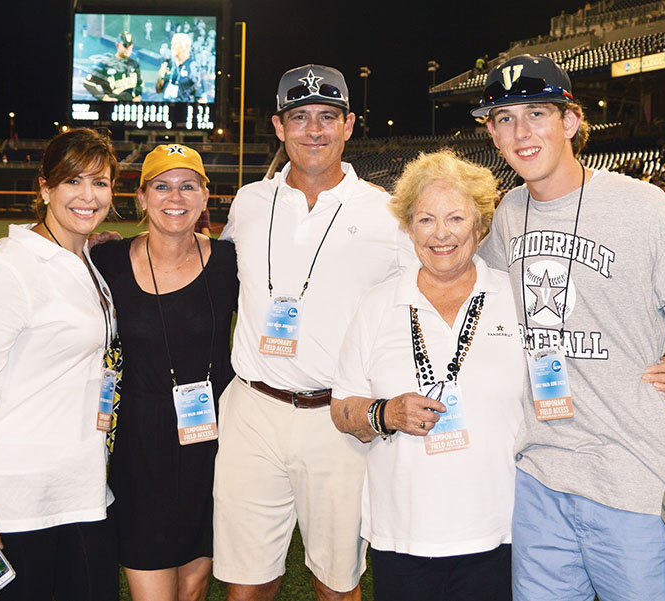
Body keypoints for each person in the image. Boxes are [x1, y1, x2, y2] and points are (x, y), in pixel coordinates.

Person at [474, 54, 665, 601]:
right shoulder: (507, 214)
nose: (520, 132)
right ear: (491, 133)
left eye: (536, 114)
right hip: (541, 475)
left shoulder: (649, 211)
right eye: (504, 118)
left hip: (634, 475)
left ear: (571, 121)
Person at [213, 64, 411, 601]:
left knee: (337, 581)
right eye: (300, 117)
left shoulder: (386, 212)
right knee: (247, 582)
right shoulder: (249, 202)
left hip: (337, 417)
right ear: (279, 128)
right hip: (253, 408)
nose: (314, 130)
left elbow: (433, 289)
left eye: (328, 116)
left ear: (349, 125)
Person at [0, 128, 121, 600]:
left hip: (81, 489)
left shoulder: (82, 260)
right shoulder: (8, 271)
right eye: (72, 182)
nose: (87, 195)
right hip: (16, 502)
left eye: (100, 183)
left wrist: (93, 247)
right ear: (44, 188)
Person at [330, 150, 521, 601]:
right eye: (425, 220)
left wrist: (658, 369)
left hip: (500, 530)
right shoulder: (378, 304)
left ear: (480, 226)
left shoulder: (515, 297)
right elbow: (342, 410)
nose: (441, 235)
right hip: (404, 534)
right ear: (408, 227)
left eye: (456, 218)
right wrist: (385, 413)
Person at [92, 144, 238, 601]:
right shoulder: (106, 262)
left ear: (203, 198)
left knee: (194, 588)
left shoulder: (232, 263)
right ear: (141, 198)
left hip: (213, 444)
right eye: (161, 186)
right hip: (139, 444)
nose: (175, 196)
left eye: (187, 185)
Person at [83, 31, 143, 102]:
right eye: (125, 45)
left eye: (130, 45)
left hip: (130, 106)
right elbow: (88, 82)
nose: (128, 48)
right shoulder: (106, 64)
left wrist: (138, 96)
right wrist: (102, 97)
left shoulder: (134, 64)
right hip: (111, 106)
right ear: (117, 45)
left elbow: (140, 84)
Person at [157, 33, 205, 103]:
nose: (172, 47)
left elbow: (200, 96)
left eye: (176, 44)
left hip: (184, 109)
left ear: (185, 47)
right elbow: (158, 90)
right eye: (172, 44)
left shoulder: (192, 67)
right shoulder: (169, 64)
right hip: (166, 109)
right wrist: (161, 77)